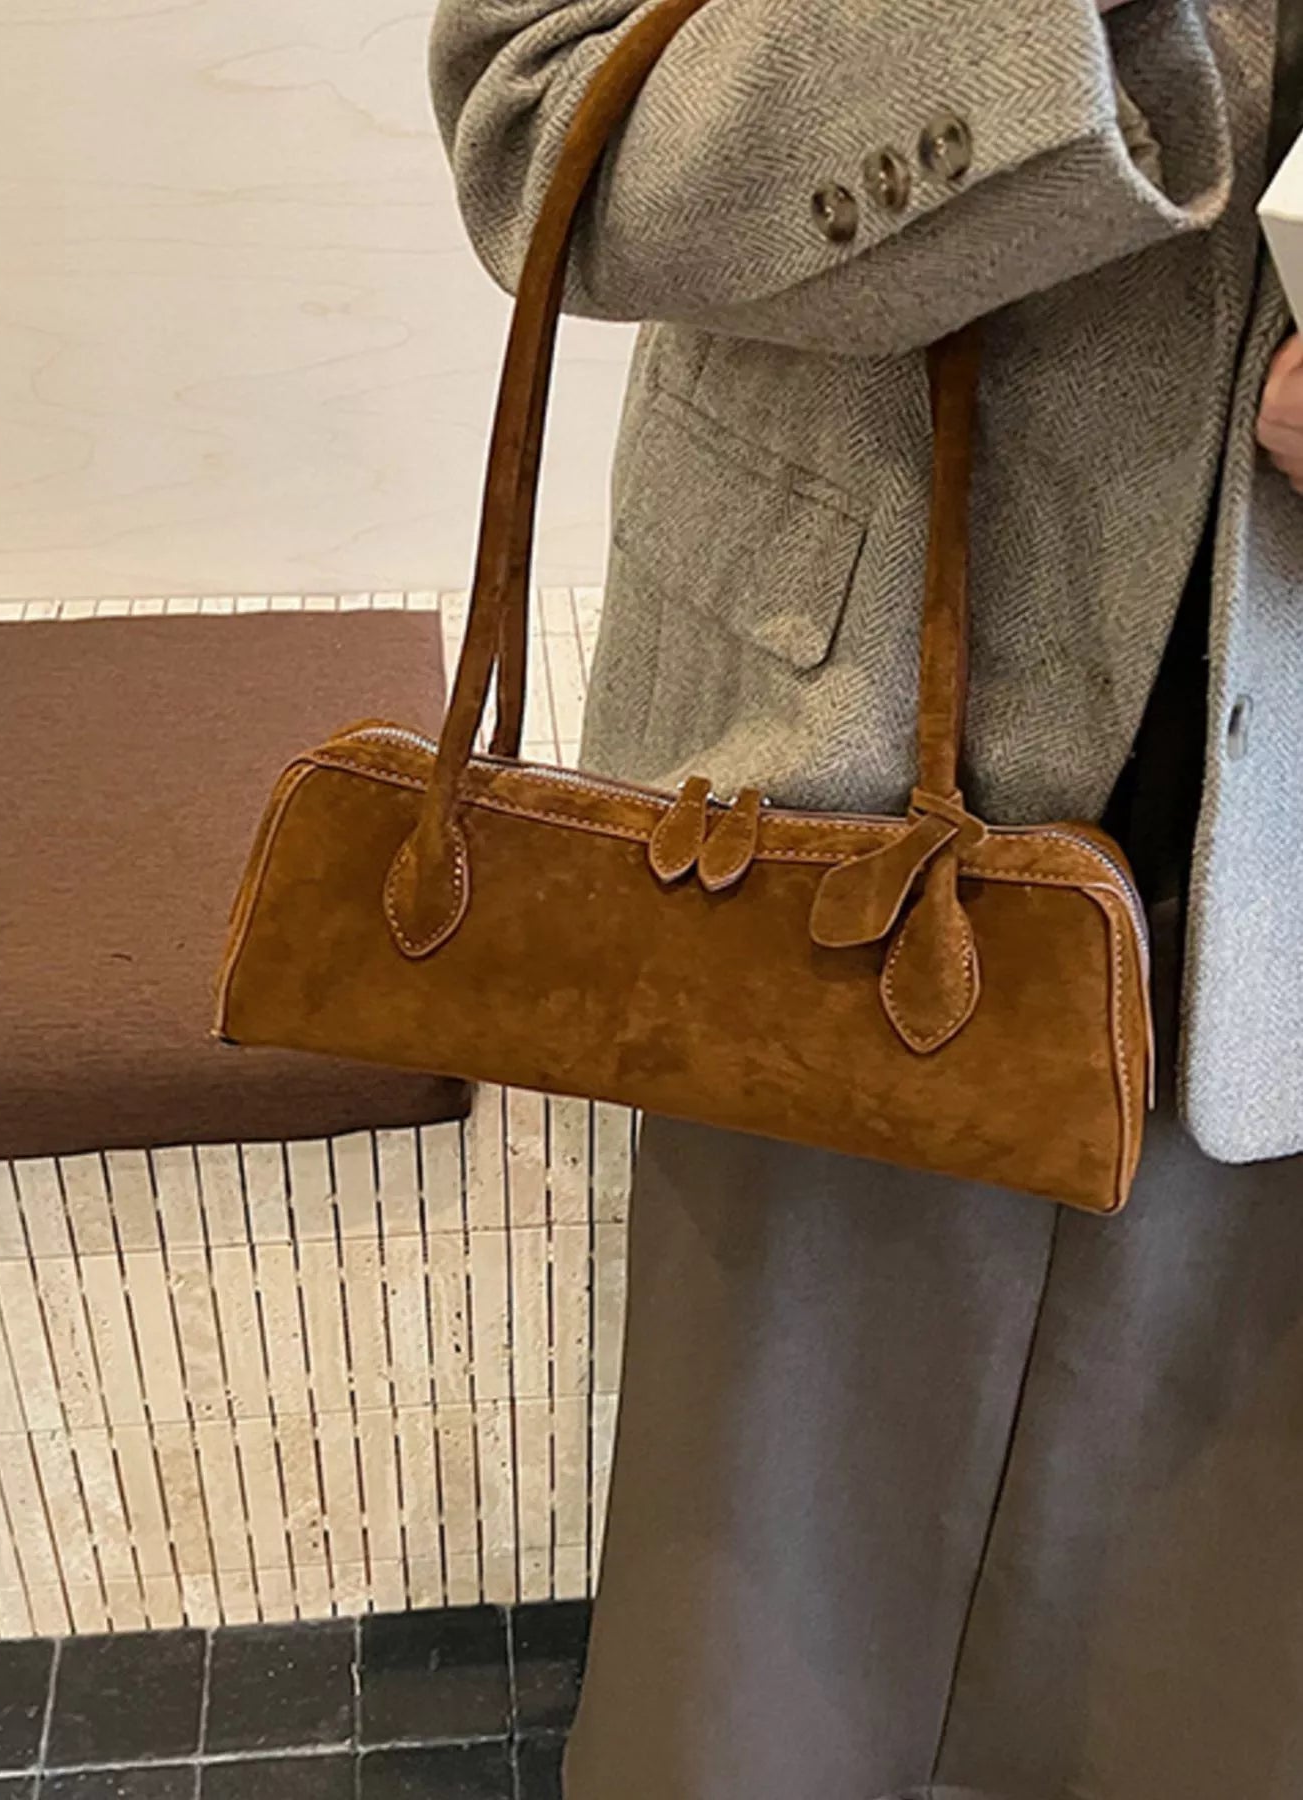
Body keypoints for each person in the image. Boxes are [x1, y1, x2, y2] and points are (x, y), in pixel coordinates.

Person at [431, 3, 1303, 1795]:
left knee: (1204, 1673)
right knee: (763, 1673)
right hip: (831, 826)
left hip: (1273, 875)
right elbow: (537, 127)